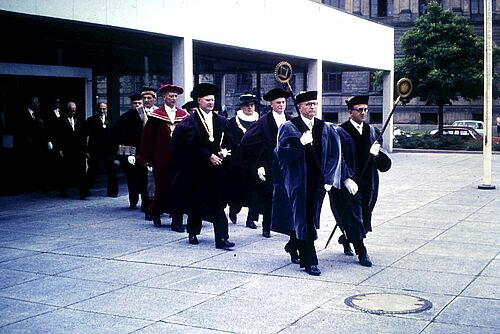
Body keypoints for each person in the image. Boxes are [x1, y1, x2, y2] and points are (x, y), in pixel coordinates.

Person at [272, 91, 342, 276]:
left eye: (315, 104)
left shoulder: (325, 128)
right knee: (304, 218)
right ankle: (310, 260)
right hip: (297, 182)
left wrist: (329, 179)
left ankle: (293, 244)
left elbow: (335, 154)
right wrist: (299, 144)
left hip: (318, 182)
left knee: (308, 217)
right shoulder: (289, 127)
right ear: (300, 107)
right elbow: (281, 155)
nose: (312, 107)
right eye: (308, 104)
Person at [328, 95, 391, 267]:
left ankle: (346, 238)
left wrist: (377, 153)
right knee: (354, 216)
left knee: (363, 214)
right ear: (350, 112)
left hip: (368, 182)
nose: (363, 113)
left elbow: (382, 163)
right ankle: (361, 251)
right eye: (359, 110)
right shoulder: (339, 132)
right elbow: (336, 158)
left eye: (365, 109)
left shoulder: (372, 131)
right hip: (348, 183)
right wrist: (346, 178)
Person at [172, 83, 235, 249]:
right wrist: (208, 156)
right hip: (197, 170)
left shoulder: (221, 120)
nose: (211, 103)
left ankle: (222, 238)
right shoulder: (189, 122)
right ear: (199, 100)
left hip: (217, 170)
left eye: (213, 100)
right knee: (196, 202)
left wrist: (223, 152)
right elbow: (186, 145)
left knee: (218, 203)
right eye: (207, 100)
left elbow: (228, 141)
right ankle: (193, 232)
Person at [240, 88, 292, 238]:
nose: (281, 105)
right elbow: (247, 141)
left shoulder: (290, 119)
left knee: (287, 195)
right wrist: (259, 163)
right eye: (278, 103)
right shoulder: (263, 121)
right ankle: (266, 226)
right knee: (269, 196)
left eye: (283, 102)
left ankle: (285, 225)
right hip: (269, 164)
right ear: (271, 104)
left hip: (287, 164)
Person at [138, 84, 189, 231]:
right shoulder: (155, 116)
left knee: (178, 188)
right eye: (170, 96)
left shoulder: (183, 115)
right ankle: (156, 212)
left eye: (175, 96)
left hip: (178, 159)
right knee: (163, 187)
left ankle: (176, 218)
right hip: (161, 157)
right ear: (164, 97)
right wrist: (146, 158)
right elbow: (147, 139)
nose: (173, 99)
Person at [225, 94, 260, 229]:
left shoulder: (260, 121)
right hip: (237, 161)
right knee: (237, 189)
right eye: (247, 105)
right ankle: (234, 209)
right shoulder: (232, 122)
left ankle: (251, 219)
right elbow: (228, 140)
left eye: (252, 104)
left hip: (255, 161)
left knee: (255, 191)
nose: (250, 107)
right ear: (241, 107)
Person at [113, 94, 147, 209]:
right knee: (131, 178)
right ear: (131, 104)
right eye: (135, 103)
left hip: (143, 153)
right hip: (129, 153)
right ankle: (133, 200)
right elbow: (118, 136)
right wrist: (127, 155)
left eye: (139, 103)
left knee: (144, 179)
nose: (137, 105)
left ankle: (145, 201)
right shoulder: (125, 118)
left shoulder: (146, 117)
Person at [54, 101, 88, 199]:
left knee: (81, 171)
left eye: (74, 111)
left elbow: (83, 136)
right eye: (71, 111)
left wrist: (85, 150)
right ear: (67, 110)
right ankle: (62, 190)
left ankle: (83, 192)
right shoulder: (60, 121)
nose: (73, 113)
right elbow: (58, 136)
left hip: (78, 149)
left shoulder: (79, 120)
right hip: (66, 149)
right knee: (65, 170)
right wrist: (59, 149)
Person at [85, 102, 119, 197]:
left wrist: (114, 150)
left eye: (104, 109)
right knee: (92, 170)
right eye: (100, 109)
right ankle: (85, 190)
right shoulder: (91, 120)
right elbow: (85, 136)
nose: (102, 111)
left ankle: (112, 191)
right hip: (94, 150)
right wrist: (87, 151)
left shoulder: (111, 121)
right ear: (97, 109)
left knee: (111, 171)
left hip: (107, 151)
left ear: (107, 109)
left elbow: (114, 136)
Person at [13, 95, 45, 192]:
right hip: (25, 144)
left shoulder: (38, 113)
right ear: (32, 103)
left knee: (34, 165)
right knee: (25, 165)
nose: (39, 104)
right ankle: (24, 186)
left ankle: (34, 185)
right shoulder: (22, 113)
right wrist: (26, 137)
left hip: (36, 144)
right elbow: (20, 128)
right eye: (37, 102)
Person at [138, 87, 159, 220]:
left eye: (149, 98)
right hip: (142, 151)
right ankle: (146, 206)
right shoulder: (135, 113)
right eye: (144, 98)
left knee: (156, 180)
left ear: (154, 99)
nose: (146, 100)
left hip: (156, 150)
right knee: (144, 180)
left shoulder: (159, 113)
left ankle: (156, 206)